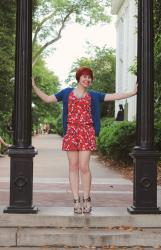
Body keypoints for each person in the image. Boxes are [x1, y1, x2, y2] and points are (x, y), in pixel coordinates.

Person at [32, 67, 137, 214]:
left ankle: (87, 198)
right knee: (73, 167)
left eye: (89, 78)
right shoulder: (66, 92)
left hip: (87, 132)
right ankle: (76, 200)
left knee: (84, 167)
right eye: (85, 77)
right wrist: (34, 87)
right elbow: (48, 99)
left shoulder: (94, 95)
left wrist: (132, 92)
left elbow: (113, 96)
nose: (87, 79)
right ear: (79, 78)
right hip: (71, 133)